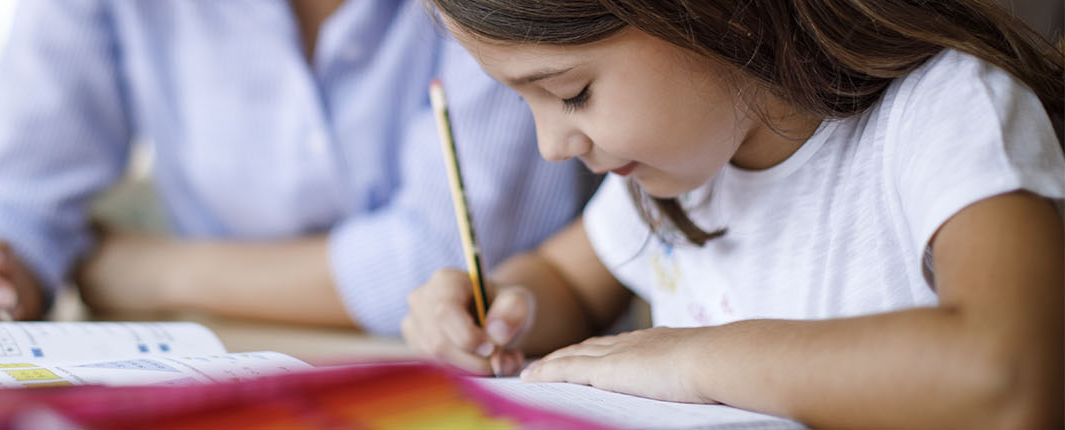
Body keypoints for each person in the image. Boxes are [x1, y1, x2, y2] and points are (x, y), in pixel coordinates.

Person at [402, 0, 1063, 427]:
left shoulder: (949, 114)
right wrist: (496, 309)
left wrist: (692, 361)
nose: (553, 147)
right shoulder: (678, 177)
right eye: (525, 103)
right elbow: (565, 279)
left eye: (572, 93)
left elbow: (1011, 376)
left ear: (723, 14)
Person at [0, 0, 597, 336]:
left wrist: (156, 272)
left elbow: (460, 266)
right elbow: (20, 198)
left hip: (438, 372)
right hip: (206, 356)